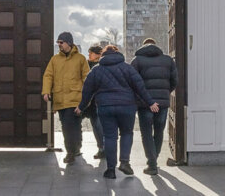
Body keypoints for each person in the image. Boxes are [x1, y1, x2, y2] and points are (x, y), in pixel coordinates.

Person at [75, 45, 158, 180]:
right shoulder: (127, 68)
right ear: (117, 54)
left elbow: (87, 90)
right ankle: (124, 162)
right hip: (127, 107)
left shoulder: (96, 70)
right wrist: (150, 102)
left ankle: (110, 169)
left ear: (103, 56)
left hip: (105, 107)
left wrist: (81, 106)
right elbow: (140, 87)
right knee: (126, 133)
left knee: (109, 137)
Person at [131, 38, 178, 175]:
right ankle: (154, 160)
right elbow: (174, 80)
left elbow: (132, 82)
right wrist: (164, 93)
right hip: (162, 103)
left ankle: (152, 164)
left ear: (143, 46)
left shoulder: (137, 60)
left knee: (146, 134)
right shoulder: (168, 60)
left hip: (145, 104)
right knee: (158, 132)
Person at [41, 31, 89, 164]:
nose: (59, 45)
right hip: (60, 99)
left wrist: (88, 95)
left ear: (69, 42)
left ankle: (71, 152)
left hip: (75, 99)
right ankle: (74, 149)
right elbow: (48, 75)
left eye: (61, 42)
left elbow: (86, 76)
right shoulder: (55, 60)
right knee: (68, 126)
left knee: (71, 126)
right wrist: (46, 91)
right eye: (58, 43)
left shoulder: (80, 59)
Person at [86, 45, 105, 159]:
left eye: (90, 53)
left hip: (100, 101)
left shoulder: (102, 65)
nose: (89, 55)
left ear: (98, 54)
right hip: (91, 102)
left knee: (100, 126)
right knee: (95, 126)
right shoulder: (86, 65)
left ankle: (103, 149)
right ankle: (101, 148)